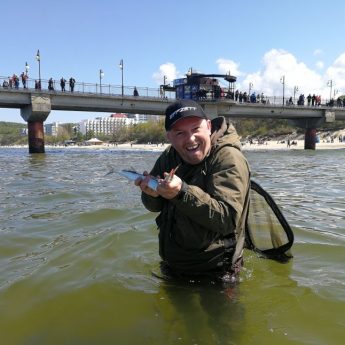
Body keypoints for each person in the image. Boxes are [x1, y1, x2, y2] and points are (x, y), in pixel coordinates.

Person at [135, 99, 251, 283]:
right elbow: (154, 207)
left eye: (196, 129)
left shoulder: (228, 158)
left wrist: (181, 193)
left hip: (219, 271)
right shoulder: (169, 156)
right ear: (169, 137)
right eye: (180, 133)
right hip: (174, 265)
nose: (190, 139)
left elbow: (228, 219)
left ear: (208, 126)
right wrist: (151, 194)